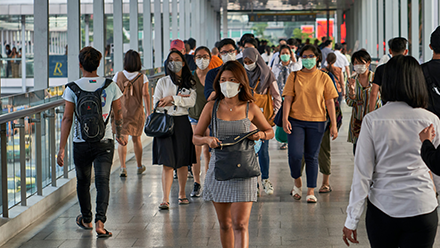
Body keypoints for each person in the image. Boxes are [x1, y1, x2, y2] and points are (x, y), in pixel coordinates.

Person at [343, 55, 439, 248]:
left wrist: (352, 219)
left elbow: (362, 175)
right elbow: (438, 169)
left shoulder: (372, 121)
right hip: (422, 207)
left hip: (382, 208)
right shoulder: (431, 120)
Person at [193, 60, 274, 248]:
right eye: (223, 80)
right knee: (225, 224)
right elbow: (196, 137)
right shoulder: (211, 107)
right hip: (219, 170)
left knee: (240, 224)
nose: (227, 84)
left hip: (244, 170)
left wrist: (260, 135)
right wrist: (207, 140)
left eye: (232, 79)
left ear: (241, 82)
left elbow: (269, 131)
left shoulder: (250, 107)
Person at [57, 46, 128, 238]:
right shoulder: (110, 85)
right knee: (103, 180)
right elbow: (118, 113)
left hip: (80, 142)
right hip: (104, 141)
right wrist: (120, 133)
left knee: (83, 181)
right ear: (99, 63)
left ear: (80, 65)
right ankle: (100, 222)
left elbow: (67, 119)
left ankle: (86, 219)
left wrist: (61, 149)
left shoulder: (71, 88)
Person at [282, 44, 339, 203]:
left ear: (317, 58)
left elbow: (330, 102)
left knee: (312, 156)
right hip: (296, 121)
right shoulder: (294, 76)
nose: (307, 60)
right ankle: (297, 181)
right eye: (304, 57)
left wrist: (333, 124)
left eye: (311, 56)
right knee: (295, 155)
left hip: (318, 121)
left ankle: (311, 191)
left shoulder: (324, 77)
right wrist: (285, 118)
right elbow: (287, 99)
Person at [154, 50, 197, 210]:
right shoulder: (162, 82)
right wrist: (177, 101)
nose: (174, 62)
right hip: (165, 123)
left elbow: (191, 101)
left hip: (182, 123)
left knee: (183, 161)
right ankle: (165, 198)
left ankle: (182, 194)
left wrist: (172, 99)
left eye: (177, 59)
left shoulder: (189, 82)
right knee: (167, 162)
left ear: (184, 62)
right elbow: (156, 103)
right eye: (171, 60)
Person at [243, 47, 282, 196]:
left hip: (263, 118)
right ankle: (254, 183)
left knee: (263, 151)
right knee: (248, 151)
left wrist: (276, 113)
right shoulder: (240, 74)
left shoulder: (267, 74)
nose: (248, 64)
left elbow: (276, 96)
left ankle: (265, 179)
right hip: (245, 119)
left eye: (250, 61)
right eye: (245, 61)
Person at [111, 50, 150, 177]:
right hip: (136, 112)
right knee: (136, 138)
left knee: (122, 139)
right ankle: (139, 166)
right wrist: (149, 112)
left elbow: (113, 93)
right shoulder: (142, 77)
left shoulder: (118, 75)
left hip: (121, 111)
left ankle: (123, 167)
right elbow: (145, 94)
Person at [346, 50, 382, 154]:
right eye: (356, 63)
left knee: (374, 150)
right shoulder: (352, 80)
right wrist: (352, 91)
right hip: (358, 121)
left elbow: (384, 97)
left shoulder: (376, 78)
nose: (358, 65)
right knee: (358, 152)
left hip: (375, 120)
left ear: (368, 63)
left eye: (361, 62)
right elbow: (349, 102)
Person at [188, 46, 211, 197]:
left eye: (205, 56)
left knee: (208, 150)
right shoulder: (190, 77)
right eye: (199, 56)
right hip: (194, 117)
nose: (202, 60)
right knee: (195, 151)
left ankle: (208, 181)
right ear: (194, 58)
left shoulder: (214, 76)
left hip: (210, 118)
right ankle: (197, 182)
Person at [271, 44, 302, 150]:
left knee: (293, 118)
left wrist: (294, 59)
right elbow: (273, 82)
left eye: (287, 53)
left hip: (294, 97)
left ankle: (292, 139)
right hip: (280, 97)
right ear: (279, 55)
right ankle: (283, 140)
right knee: (281, 118)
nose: (285, 55)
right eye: (283, 53)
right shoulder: (276, 67)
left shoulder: (295, 66)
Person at [369, 37, 408, 112]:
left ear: (390, 51)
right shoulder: (411, 68)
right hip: (407, 108)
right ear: (406, 52)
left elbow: (374, 93)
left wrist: (371, 112)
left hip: (387, 109)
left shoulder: (381, 69)